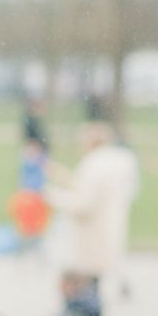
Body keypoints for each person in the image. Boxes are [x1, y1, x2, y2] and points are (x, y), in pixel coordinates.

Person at [45, 122, 138, 299]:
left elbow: (83, 203)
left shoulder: (93, 165)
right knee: (96, 280)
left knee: (87, 286)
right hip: (109, 225)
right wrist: (64, 177)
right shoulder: (118, 162)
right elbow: (92, 190)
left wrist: (52, 196)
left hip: (91, 233)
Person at [8, 138, 52, 256]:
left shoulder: (37, 162)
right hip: (29, 196)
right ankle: (27, 248)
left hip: (35, 196)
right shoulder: (31, 162)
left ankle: (32, 248)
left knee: (35, 228)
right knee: (27, 228)